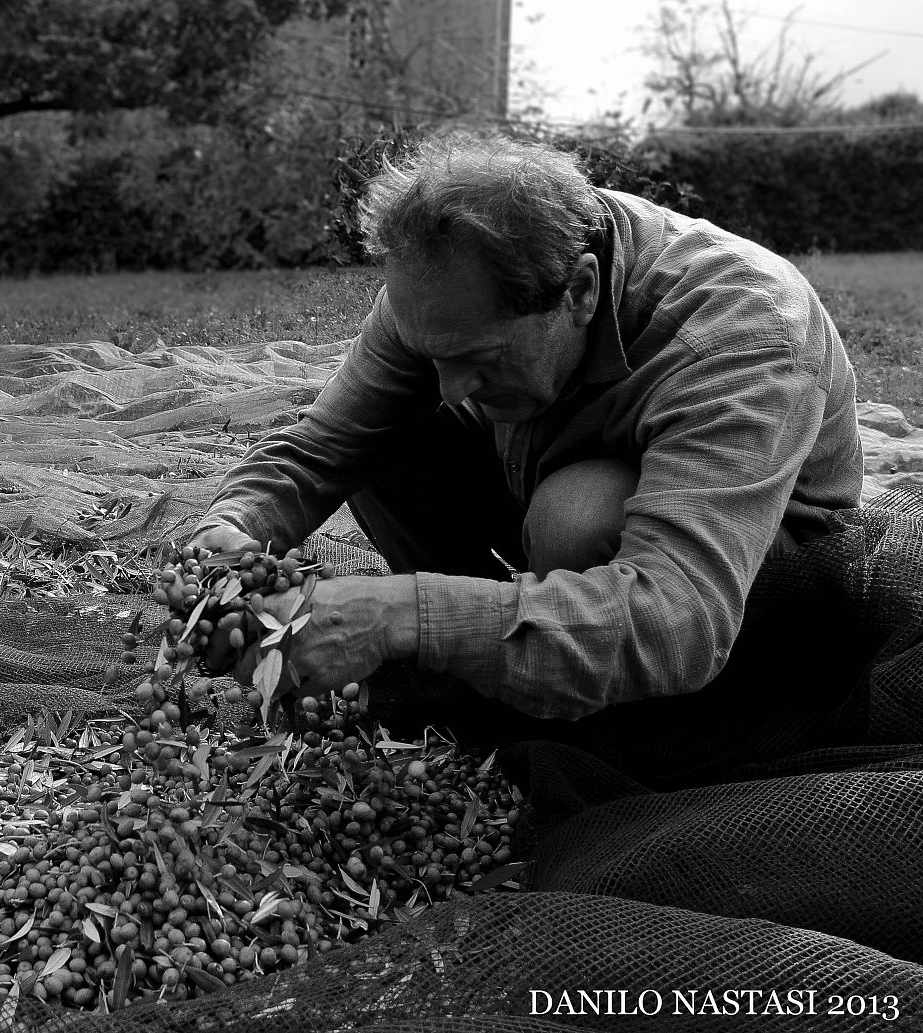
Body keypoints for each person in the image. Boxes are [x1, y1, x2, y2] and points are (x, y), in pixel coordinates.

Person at [189, 132, 863, 734]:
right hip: (544, 478)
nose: (451, 388)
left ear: (581, 293)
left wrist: (402, 614)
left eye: (481, 358)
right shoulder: (441, 297)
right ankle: (505, 652)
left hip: (743, 579)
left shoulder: (738, 330)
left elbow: (679, 617)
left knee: (576, 515)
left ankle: (606, 718)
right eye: (433, 357)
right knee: (384, 436)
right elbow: (322, 447)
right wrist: (230, 527)